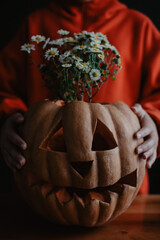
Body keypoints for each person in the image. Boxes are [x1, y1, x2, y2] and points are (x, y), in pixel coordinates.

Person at [0, 0, 159, 194]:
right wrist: (8, 118)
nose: (82, 158)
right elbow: (4, 88)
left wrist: (153, 121)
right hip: (37, 195)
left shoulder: (139, 27)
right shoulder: (34, 26)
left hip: (125, 196)